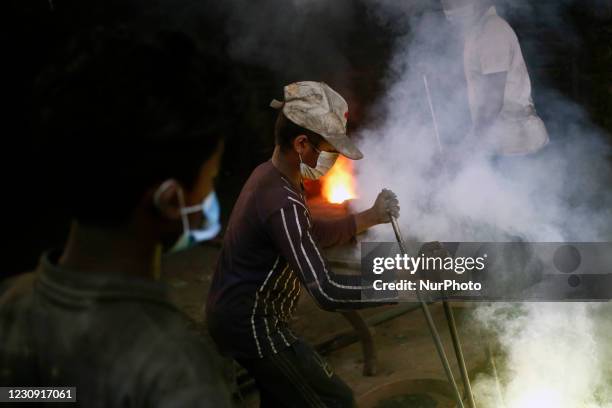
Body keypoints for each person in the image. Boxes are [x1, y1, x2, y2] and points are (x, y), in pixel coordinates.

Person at [0, 26, 232, 407]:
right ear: (170, 200)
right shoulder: (177, 370)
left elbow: (40, 396)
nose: (211, 192)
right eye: (212, 176)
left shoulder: (12, 301)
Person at [206, 81, 400, 408]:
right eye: (329, 150)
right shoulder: (281, 200)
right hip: (253, 326)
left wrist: (370, 217)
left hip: (234, 316)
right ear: (301, 144)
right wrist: (397, 286)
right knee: (333, 400)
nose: (334, 160)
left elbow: (308, 233)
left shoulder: (269, 176)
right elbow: (326, 291)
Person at [442, 0, 549, 157]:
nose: (451, 9)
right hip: (504, 139)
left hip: (518, 141)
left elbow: (493, 100)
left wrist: (467, 148)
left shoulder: (492, 31)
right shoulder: (476, 33)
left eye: (457, 3)